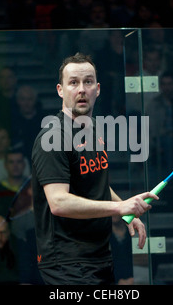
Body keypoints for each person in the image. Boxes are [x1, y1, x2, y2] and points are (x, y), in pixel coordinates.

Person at [31, 52, 157, 285]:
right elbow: (58, 202)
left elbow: (95, 184)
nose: (81, 89)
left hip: (99, 257)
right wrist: (119, 207)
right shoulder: (52, 137)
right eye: (73, 83)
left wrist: (127, 214)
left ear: (97, 89)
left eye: (88, 82)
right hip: (66, 263)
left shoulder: (93, 130)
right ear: (60, 90)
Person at [110, 214, 134, 285]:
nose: (114, 213)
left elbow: (148, 259)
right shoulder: (102, 233)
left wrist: (134, 278)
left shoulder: (135, 230)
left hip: (136, 277)